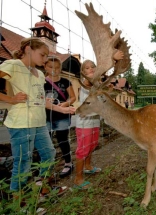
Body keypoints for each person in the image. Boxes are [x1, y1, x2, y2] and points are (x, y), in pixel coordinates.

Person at [0, 38, 75, 207]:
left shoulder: (40, 74)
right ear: (28, 49)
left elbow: (41, 101)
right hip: (20, 123)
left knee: (49, 154)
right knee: (23, 162)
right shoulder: (14, 65)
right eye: (42, 55)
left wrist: (63, 110)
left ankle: (44, 190)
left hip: (40, 122)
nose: (45, 59)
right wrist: (11, 99)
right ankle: (19, 205)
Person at [74, 51, 124, 189]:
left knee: (92, 145)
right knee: (83, 149)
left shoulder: (97, 86)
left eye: (93, 67)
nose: (90, 70)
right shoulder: (86, 85)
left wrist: (109, 92)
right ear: (83, 72)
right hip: (84, 122)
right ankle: (78, 179)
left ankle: (88, 166)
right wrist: (111, 60)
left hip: (95, 121)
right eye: (87, 68)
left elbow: (103, 100)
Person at [44, 56, 76, 178]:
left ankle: (68, 162)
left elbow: (73, 97)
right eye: (51, 67)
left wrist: (66, 104)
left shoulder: (65, 81)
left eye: (57, 67)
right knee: (46, 142)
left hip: (62, 115)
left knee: (62, 139)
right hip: (46, 116)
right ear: (45, 67)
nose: (54, 70)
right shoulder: (41, 81)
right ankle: (45, 166)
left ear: (60, 68)